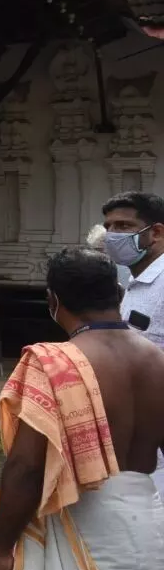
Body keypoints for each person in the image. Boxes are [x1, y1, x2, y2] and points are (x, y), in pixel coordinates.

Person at [0, 247, 164, 570]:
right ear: (119, 294)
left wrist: (2, 548)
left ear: (53, 301)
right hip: (148, 522)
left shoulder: (53, 363)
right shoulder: (157, 359)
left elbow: (26, 467)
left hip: (87, 522)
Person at [101, 191, 164, 497]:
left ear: (156, 232)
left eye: (124, 226)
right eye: (109, 226)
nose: (113, 235)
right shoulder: (130, 281)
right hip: (135, 441)